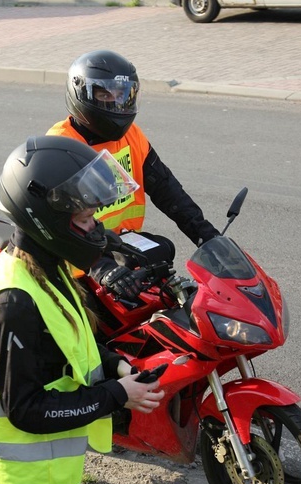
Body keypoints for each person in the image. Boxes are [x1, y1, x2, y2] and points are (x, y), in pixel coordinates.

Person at [0, 135, 166, 484]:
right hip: (29, 477)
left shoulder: (46, 268)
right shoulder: (13, 303)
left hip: (52, 468)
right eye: (85, 218)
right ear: (47, 219)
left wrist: (118, 367)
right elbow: (25, 410)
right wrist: (116, 394)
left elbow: (69, 346)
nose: (95, 227)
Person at [47, 49, 220, 302]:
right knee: (85, 334)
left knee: (163, 254)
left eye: (122, 95)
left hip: (120, 245)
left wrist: (208, 237)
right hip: (77, 262)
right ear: (81, 93)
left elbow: (167, 189)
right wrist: (100, 267)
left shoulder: (132, 135)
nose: (116, 103)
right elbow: (59, 224)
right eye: (105, 95)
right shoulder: (61, 145)